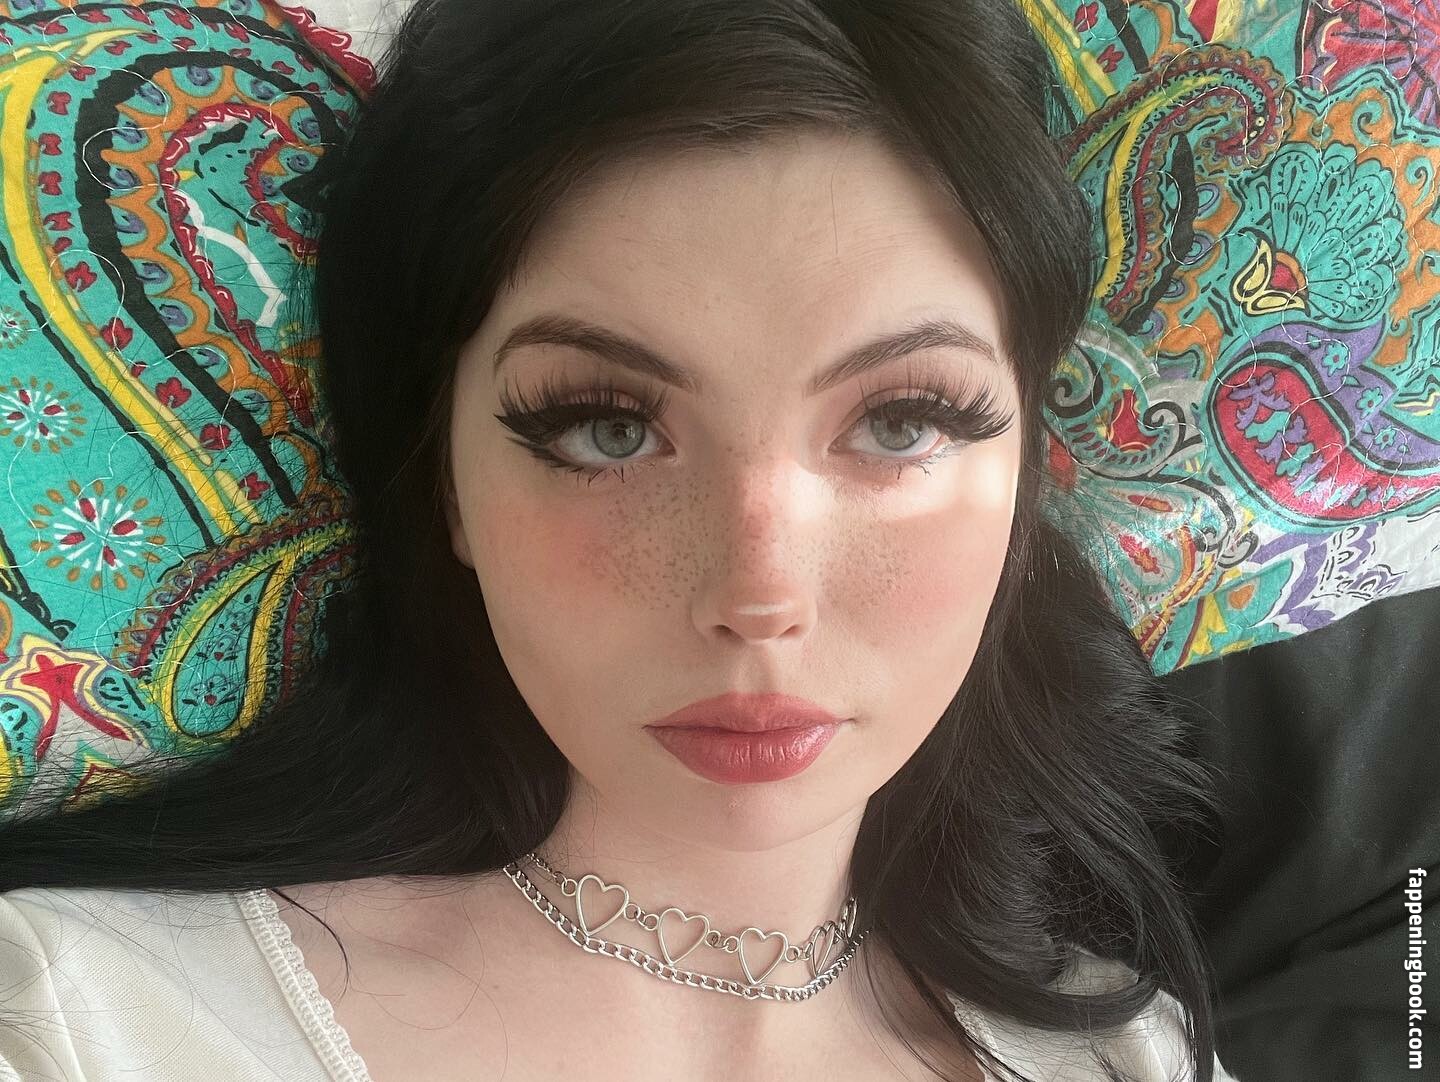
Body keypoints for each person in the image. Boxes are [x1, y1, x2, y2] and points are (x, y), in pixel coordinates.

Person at [0, 0, 1244, 1079]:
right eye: (606, 428)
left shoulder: (1125, 1053)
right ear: (445, 482)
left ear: (1027, 476)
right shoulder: (75, 1016)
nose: (758, 592)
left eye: (904, 420)